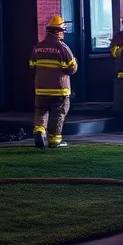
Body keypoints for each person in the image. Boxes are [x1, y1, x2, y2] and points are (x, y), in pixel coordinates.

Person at [29, 15, 78, 149]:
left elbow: (32, 66)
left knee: (40, 110)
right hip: (59, 89)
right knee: (58, 113)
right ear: (59, 31)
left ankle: (39, 130)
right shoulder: (63, 48)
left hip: (40, 88)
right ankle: (55, 140)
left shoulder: (37, 47)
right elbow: (72, 68)